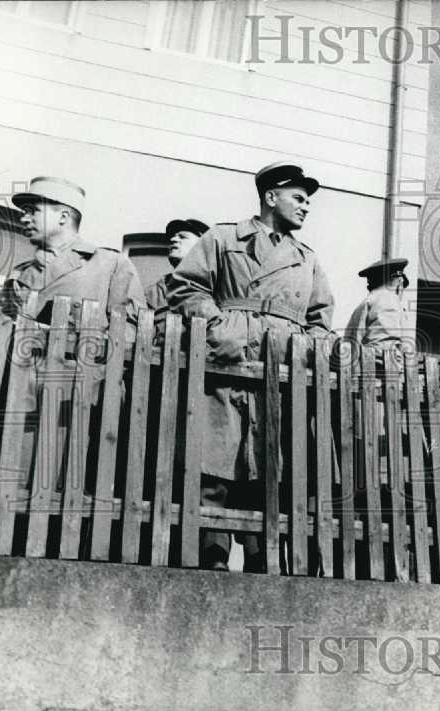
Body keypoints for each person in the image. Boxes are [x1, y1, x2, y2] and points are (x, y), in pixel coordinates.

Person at [167, 161, 334, 571]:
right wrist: (219, 328)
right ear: (270, 196)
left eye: (308, 199)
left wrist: (305, 349)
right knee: (216, 462)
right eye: (299, 197)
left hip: (280, 367)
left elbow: (321, 317)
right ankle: (211, 559)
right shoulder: (224, 238)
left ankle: (263, 561)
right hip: (228, 359)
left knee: (268, 468)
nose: (306, 206)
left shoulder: (306, 259)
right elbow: (186, 286)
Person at [0, 176, 144, 341]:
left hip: (77, 371)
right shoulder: (21, 273)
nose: (24, 218)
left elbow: (129, 335)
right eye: (24, 212)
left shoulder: (111, 264)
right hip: (21, 370)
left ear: (63, 217)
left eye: (33, 211)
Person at [344, 257, 415, 351]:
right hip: (388, 361)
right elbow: (405, 347)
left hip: (368, 360)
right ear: (399, 282)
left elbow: (352, 341)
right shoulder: (395, 304)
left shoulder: (368, 301)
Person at [144, 218, 209, 318]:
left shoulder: (217, 291)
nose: (173, 240)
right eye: (173, 237)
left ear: (202, 246)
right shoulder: (153, 293)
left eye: (183, 237)